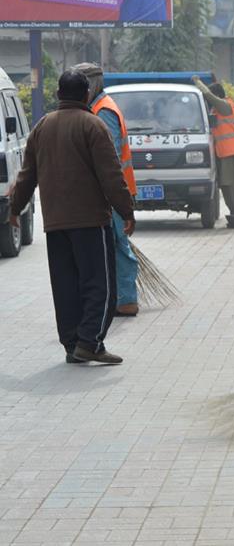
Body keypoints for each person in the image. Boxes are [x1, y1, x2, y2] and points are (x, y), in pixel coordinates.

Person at [7, 69, 135, 364]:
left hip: (55, 224)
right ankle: (90, 342)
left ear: (57, 95)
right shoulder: (93, 125)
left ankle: (72, 345)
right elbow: (111, 175)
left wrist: (15, 209)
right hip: (91, 221)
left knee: (65, 285)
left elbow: (27, 175)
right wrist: (126, 210)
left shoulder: (42, 126)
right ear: (87, 94)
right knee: (99, 285)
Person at [74, 63, 140, 317]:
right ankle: (119, 297)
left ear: (94, 84)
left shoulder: (104, 112)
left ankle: (126, 299)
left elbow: (107, 158)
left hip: (113, 191)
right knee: (112, 245)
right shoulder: (96, 109)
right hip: (111, 190)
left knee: (118, 245)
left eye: (84, 83)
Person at [192, 75, 234, 218]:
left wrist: (198, 83)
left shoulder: (227, 105)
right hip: (224, 154)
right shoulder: (215, 111)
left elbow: (210, 97)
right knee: (227, 186)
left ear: (217, 95)